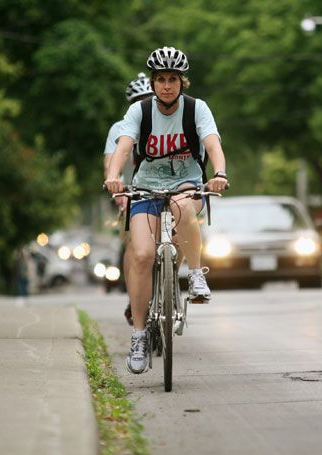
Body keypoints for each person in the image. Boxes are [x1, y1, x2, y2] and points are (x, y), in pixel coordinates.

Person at [104, 46, 229, 374]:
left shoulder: (196, 109)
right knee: (143, 256)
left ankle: (197, 275)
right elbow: (124, 146)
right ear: (153, 82)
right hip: (145, 188)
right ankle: (139, 334)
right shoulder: (140, 112)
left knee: (184, 206)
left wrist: (219, 174)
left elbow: (213, 142)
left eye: (173, 79)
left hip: (187, 184)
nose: (166, 85)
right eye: (160, 79)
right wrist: (114, 177)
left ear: (182, 82)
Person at [104, 72, 155, 326]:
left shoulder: (167, 120)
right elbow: (111, 161)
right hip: (134, 192)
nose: (144, 103)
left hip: (164, 189)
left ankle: (172, 278)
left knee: (179, 232)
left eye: (148, 98)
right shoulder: (120, 128)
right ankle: (133, 293)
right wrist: (118, 191)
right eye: (138, 100)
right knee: (133, 244)